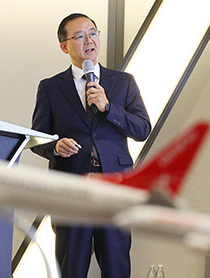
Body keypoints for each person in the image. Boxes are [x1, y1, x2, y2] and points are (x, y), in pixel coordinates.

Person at [31, 13, 151, 278]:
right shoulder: (50, 88)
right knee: (71, 266)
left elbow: (143, 129)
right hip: (71, 186)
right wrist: (55, 147)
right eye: (80, 36)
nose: (90, 40)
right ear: (64, 46)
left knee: (116, 265)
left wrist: (108, 108)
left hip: (115, 186)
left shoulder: (123, 82)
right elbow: (37, 138)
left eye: (93, 33)